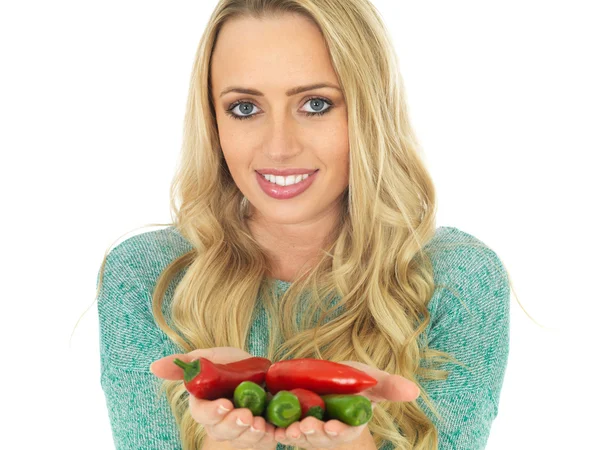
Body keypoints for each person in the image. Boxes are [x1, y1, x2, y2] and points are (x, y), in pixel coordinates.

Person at [95, 1, 513, 449]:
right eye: (243, 108)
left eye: (315, 104)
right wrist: (230, 441)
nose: (278, 147)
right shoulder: (147, 277)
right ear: (212, 120)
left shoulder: (457, 279)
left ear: (368, 111)